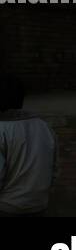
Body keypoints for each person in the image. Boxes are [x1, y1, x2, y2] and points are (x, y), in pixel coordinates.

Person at [0, 74, 59, 216]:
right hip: (38, 205)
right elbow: (55, 170)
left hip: (7, 207)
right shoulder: (43, 126)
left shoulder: (2, 130)